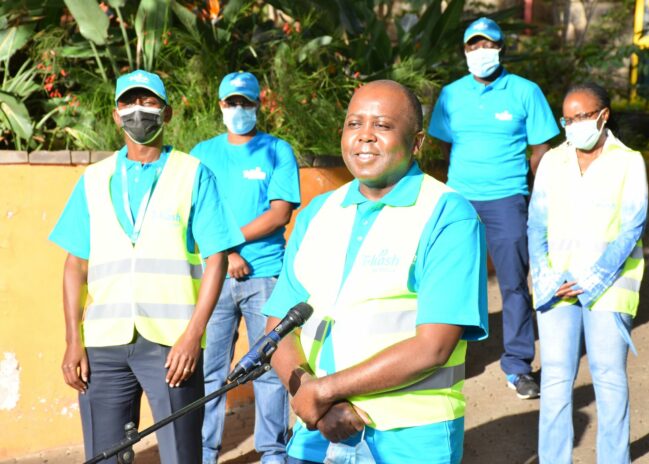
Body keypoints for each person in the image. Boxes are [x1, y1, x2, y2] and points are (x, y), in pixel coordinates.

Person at [262, 80, 489, 464]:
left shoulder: (447, 214)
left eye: (382, 126)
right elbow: (278, 324)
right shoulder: (318, 213)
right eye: (354, 124)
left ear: (416, 143)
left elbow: (434, 346)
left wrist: (323, 392)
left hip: (411, 438)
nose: (365, 136)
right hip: (317, 432)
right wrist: (312, 396)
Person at [49, 70, 242, 463]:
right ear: (116, 115)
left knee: (180, 455)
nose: (139, 111)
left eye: (150, 102)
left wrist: (194, 335)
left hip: (172, 345)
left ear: (167, 113)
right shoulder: (94, 179)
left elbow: (217, 258)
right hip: (103, 344)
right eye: (129, 103)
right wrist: (73, 340)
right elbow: (75, 265)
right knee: (106, 456)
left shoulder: (192, 174)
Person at [428, 17, 560, 399]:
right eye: (473, 46)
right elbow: (444, 147)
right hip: (459, 200)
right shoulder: (451, 94)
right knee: (450, 282)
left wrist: (539, 198)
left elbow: (541, 150)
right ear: (465, 51)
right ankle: (441, 359)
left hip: (508, 200)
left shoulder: (525, 92)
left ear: (501, 48)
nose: (480, 52)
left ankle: (518, 366)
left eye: (487, 45)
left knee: (515, 284)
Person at [528, 82, 647, 463]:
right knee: (556, 380)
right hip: (556, 287)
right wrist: (546, 277)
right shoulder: (552, 161)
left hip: (608, 289)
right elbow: (536, 225)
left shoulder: (628, 161)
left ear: (603, 115)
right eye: (568, 118)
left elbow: (632, 227)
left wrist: (593, 278)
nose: (574, 125)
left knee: (609, 379)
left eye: (581, 116)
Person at [190, 71, 301, 464]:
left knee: (270, 367)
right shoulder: (202, 153)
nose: (239, 109)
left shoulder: (277, 150)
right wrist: (227, 255)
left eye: (246, 102)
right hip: (215, 277)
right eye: (232, 102)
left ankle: (272, 450)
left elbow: (280, 213)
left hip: (267, 275)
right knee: (210, 370)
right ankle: (204, 451)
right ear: (220, 106)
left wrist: (230, 245)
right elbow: (197, 215)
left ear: (258, 105)